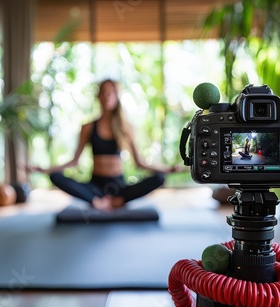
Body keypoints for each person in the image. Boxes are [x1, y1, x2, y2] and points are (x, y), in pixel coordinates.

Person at [28, 79, 179, 210]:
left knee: (159, 178)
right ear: (98, 96)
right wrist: (46, 170)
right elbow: (74, 161)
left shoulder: (126, 128)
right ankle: (97, 201)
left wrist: (168, 169)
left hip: (120, 187)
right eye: (104, 92)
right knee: (55, 177)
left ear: (116, 97)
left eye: (111, 92)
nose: (107, 96)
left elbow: (140, 162)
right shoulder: (88, 127)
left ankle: (117, 201)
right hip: (95, 187)